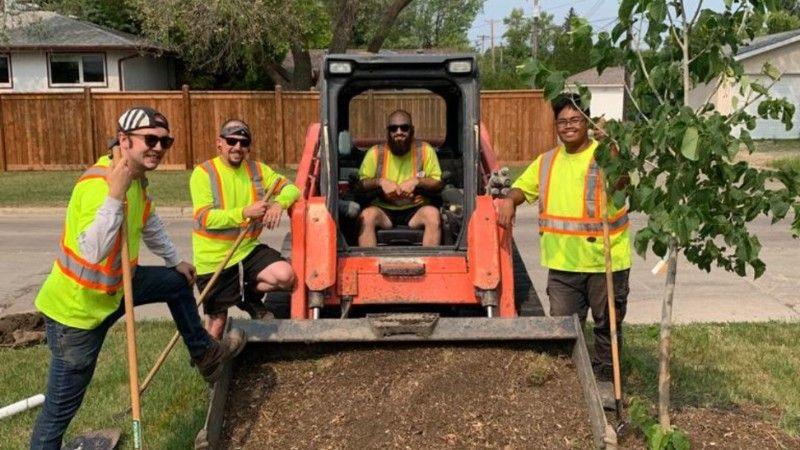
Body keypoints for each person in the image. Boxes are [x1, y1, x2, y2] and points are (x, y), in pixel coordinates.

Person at [31, 107, 245, 449]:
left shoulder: (136, 180)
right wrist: (114, 195)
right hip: (77, 315)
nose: (158, 147)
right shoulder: (98, 185)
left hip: (116, 290)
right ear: (124, 140)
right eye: (150, 139)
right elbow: (92, 252)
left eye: (164, 141)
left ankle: (206, 355)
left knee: (176, 284)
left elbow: (149, 222)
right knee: (60, 408)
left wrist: (175, 261)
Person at [495, 93, 631, 382]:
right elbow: (523, 188)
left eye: (575, 119)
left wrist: (613, 147)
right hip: (563, 266)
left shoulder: (605, 155)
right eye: (562, 121)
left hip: (605, 262)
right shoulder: (547, 162)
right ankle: (572, 384)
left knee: (608, 327)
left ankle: (608, 380)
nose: (568, 126)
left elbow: (622, 183)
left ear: (588, 121)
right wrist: (509, 199)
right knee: (563, 329)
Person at [190, 119, 300, 339]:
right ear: (219, 143)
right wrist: (244, 213)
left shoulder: (258, 169)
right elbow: (204, 218)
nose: (238, 147)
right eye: (232, 141)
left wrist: (280, 204)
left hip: (247, 249)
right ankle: (208, 362)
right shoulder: (203, 173)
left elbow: (291, 188)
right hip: (214, 258)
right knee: (217, 322)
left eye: (243, 142)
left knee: (286, 276)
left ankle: (246, 297)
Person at [356, 109, 443, 246]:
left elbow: (437, 183)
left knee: (433, 215)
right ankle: (369, 264)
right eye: (393, 128)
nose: (399, 132)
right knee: (367, 216)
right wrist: (380, 182)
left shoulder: (426, 150)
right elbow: (360, 185)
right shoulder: (375, 153)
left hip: (416, 208)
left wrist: (417, 181)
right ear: (388, 132)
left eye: (404, 127)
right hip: (383, 209)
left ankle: (429, 263)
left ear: (412, 130)